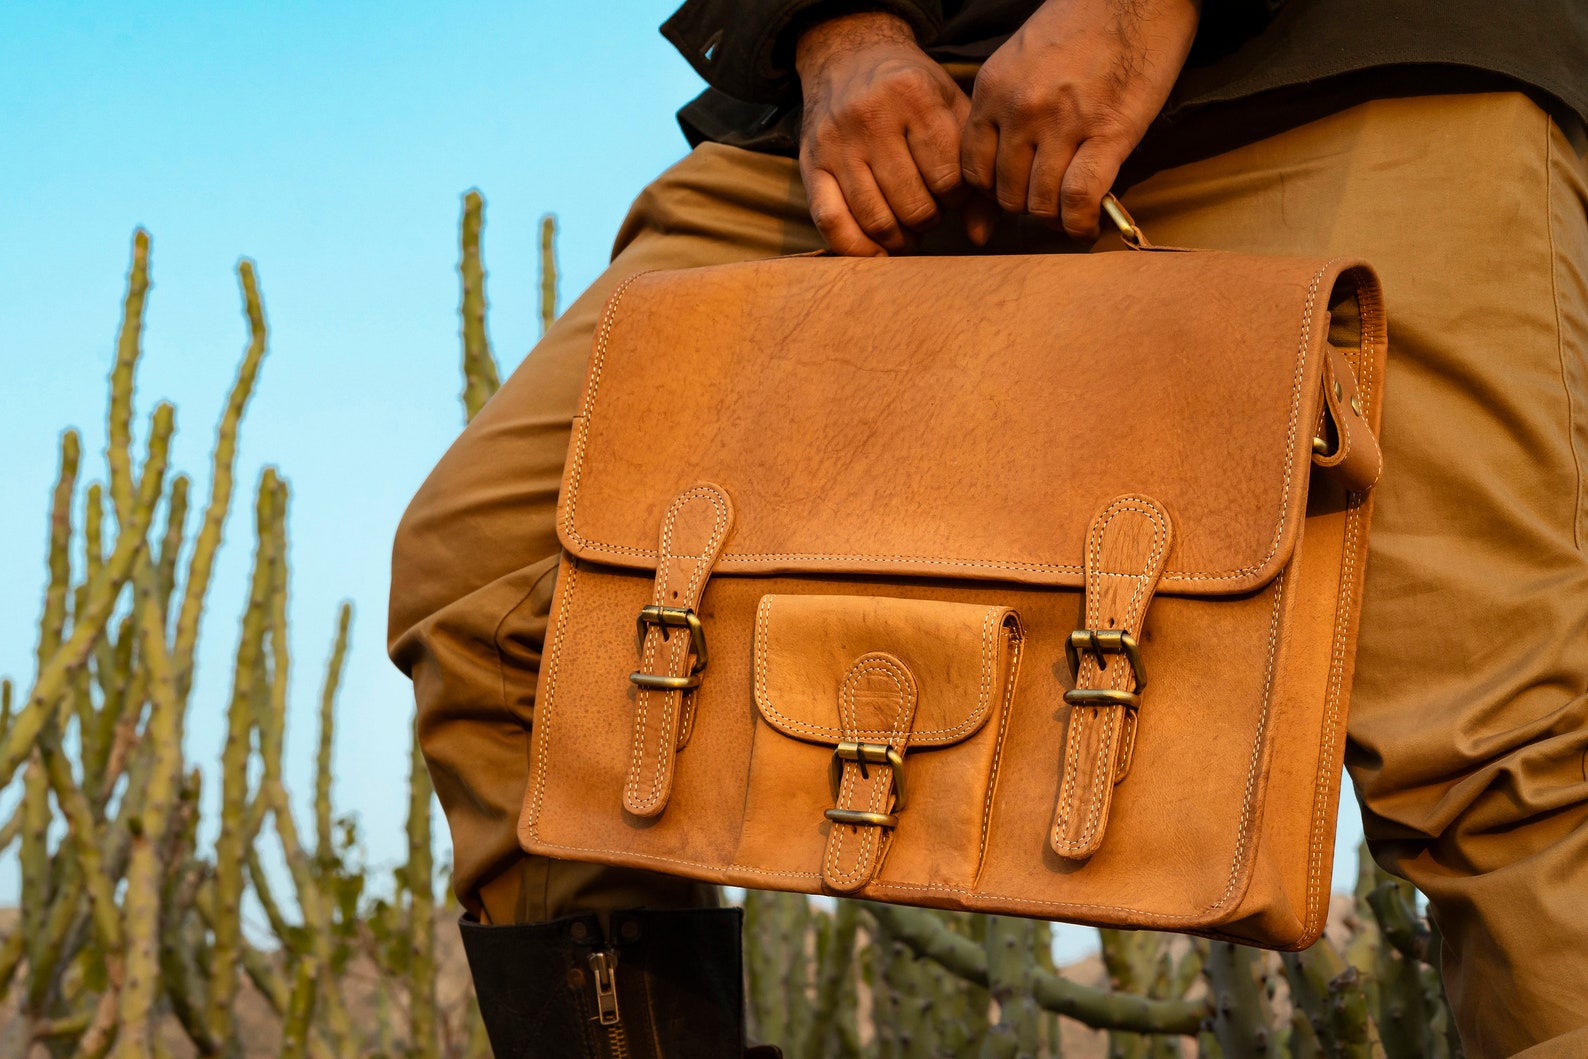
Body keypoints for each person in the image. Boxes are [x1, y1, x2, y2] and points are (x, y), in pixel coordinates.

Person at [388, 2, 1588, 1055]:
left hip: (1345, 60)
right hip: (883, 121)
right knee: (501, 593)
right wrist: (834, 31)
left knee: (1501, 744)